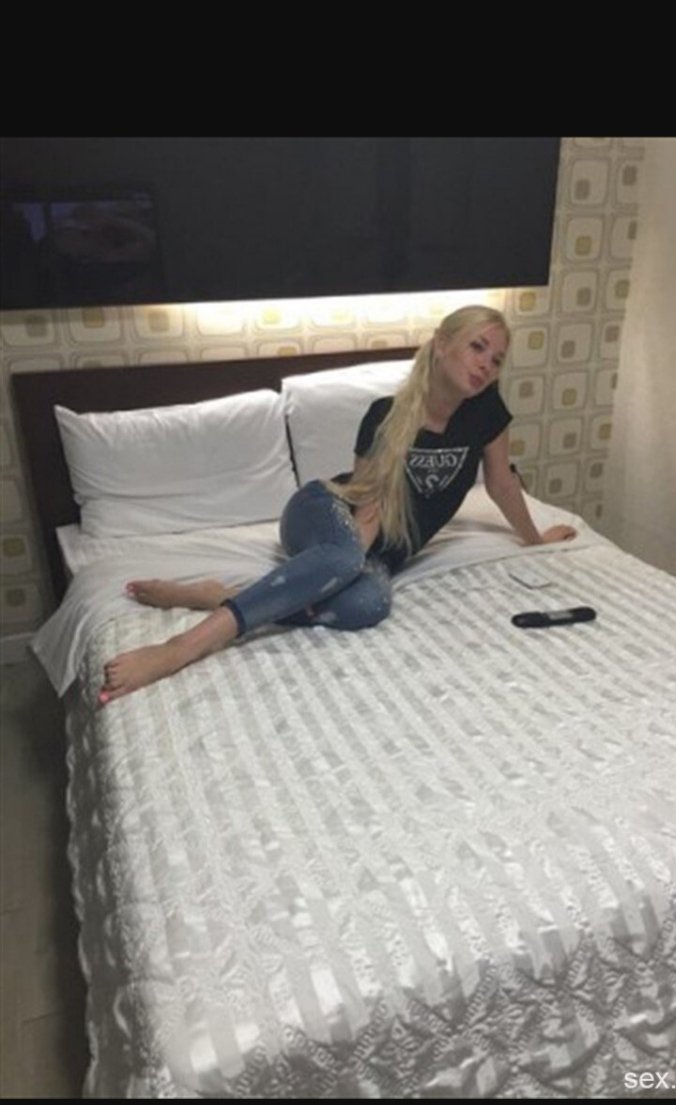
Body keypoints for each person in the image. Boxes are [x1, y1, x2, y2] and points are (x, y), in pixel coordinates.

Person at [99, 306, 576, 705]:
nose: (486, 365)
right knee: (347, 559)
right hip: (324, 512)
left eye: (496, 359)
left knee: (369, 603)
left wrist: (535, 539)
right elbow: (366, 513)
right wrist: (348, 561)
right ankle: (183, 648)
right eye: (477, 347)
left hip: (375, 554)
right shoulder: (386, 416)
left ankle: (216, 595)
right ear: (442, 343)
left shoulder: (487, 413)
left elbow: (501, 483)